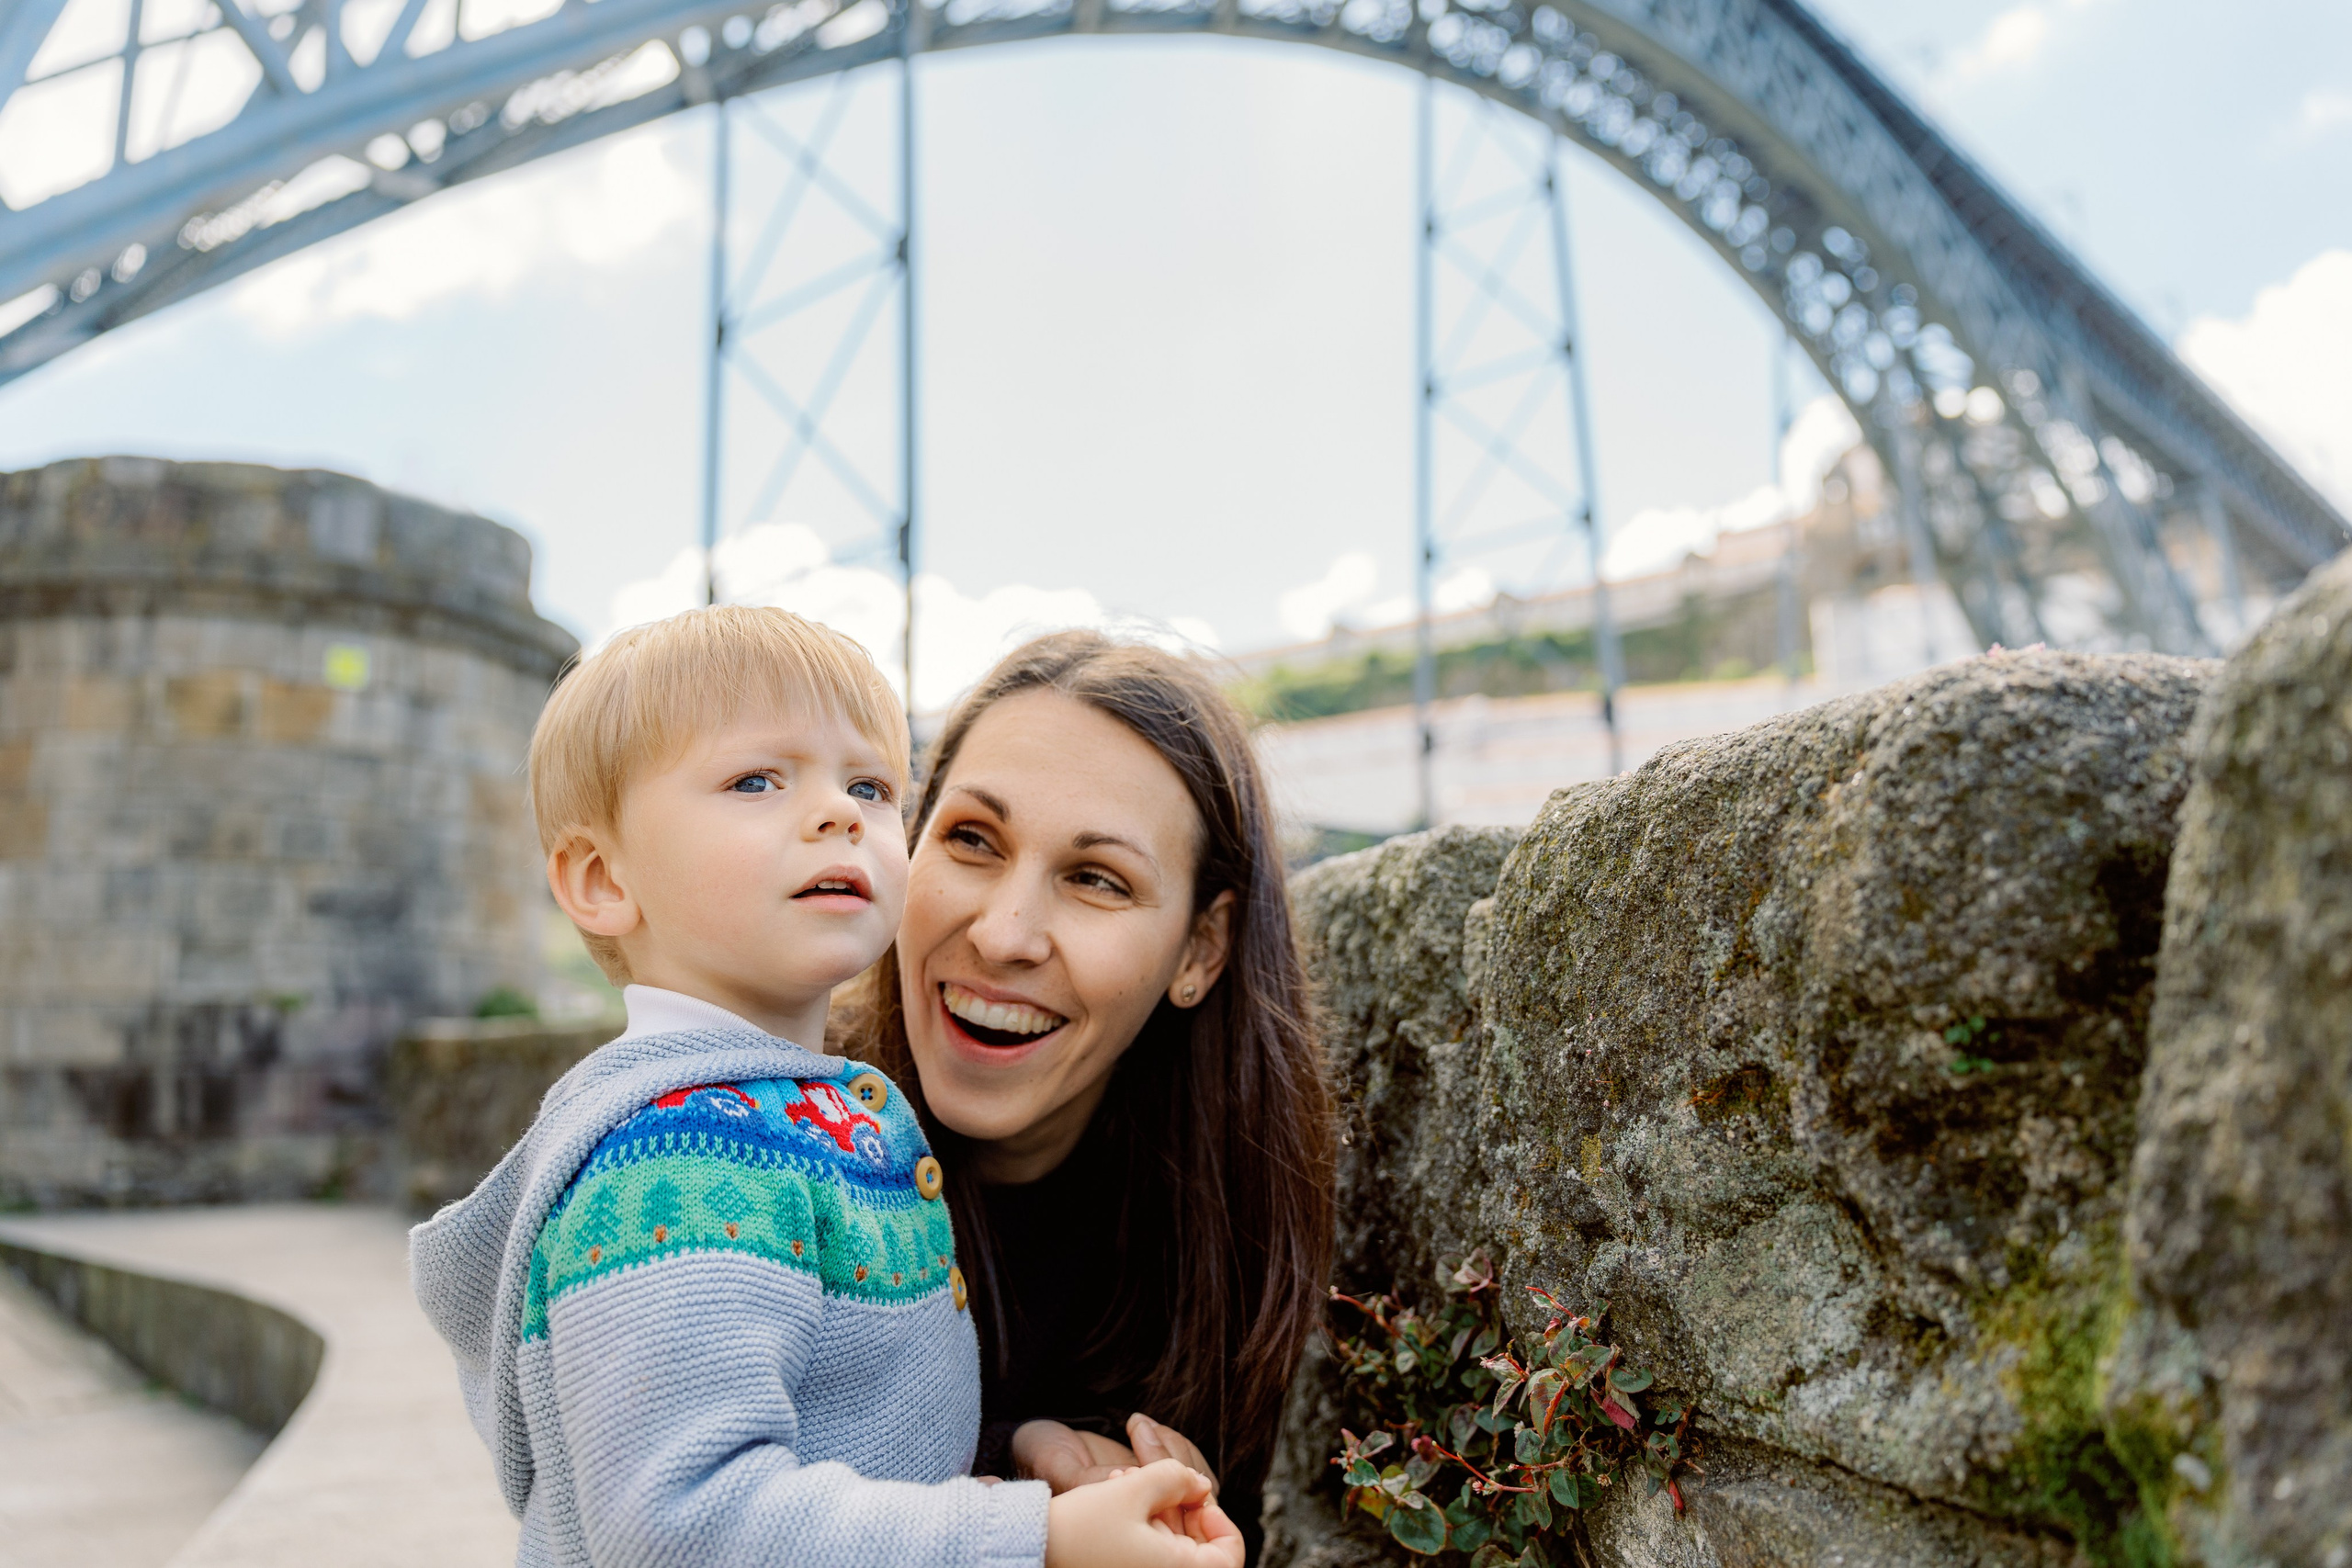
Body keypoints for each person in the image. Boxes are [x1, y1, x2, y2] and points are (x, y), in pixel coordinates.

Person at [409, 606, 1242, 1568]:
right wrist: (1036, 1539)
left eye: (870, 784)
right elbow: (683, 1529)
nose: (839, 812)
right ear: (601, 879)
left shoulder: (809, 1122)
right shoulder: (680, 1160)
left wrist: (1016, 1463)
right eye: (755, 780)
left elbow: (841, 1448)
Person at [835, 631, 1338, 1562]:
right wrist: (1032, 1519)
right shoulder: (742, 1133)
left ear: (1200, 951)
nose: (1004, 933)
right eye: (971, 840)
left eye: (1095, 879)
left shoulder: (1234, 1210)